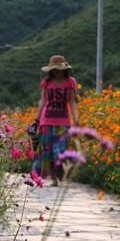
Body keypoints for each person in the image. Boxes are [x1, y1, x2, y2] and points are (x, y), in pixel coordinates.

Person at [32, 55, 79, 186]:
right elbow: (43, 101)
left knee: (60, 151)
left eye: (60, 68)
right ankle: (53, 179)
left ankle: (61, 174)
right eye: (55, 69)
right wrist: (36, 119)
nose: (57, 71)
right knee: (47, 151)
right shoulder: (46, 82)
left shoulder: (70, 82)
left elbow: (72, 101)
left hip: (63, 121)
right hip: (46, 120)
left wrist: (76, 118)